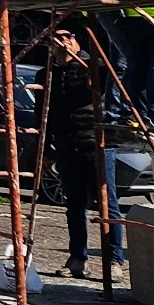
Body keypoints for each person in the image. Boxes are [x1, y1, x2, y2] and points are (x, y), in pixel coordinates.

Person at [40, 26, 121, 277]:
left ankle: (115, 260)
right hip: (67, 145)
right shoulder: (47, 74)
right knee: (74, 204)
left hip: (97, 144)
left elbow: (115, 76)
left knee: (107, 203)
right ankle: (77, 257)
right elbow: (42, 114)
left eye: (68, 36)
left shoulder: (94, 67)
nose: (63, 42)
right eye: (57, 38)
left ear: (76, 42)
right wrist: (43, 151)